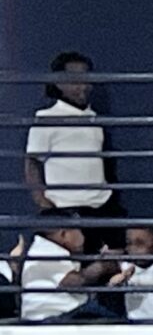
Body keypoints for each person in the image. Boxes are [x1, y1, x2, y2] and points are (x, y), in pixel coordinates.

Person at [24, 52, 114, 219]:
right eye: (75, 80)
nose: (83, 86)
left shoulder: (94, 117)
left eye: (86, 79)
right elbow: (32, 164)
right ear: (59, 83)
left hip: (102, 206)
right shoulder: (47, 118)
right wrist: (44, 204)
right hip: (64, 208)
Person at [11, 219, 113, 321]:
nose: (83, 237)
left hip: (58, 315)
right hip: (53, 317)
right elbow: (74, 282)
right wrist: (104, 265)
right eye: (79, 231)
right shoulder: (46, 250)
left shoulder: (44, 248)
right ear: (64, 234)